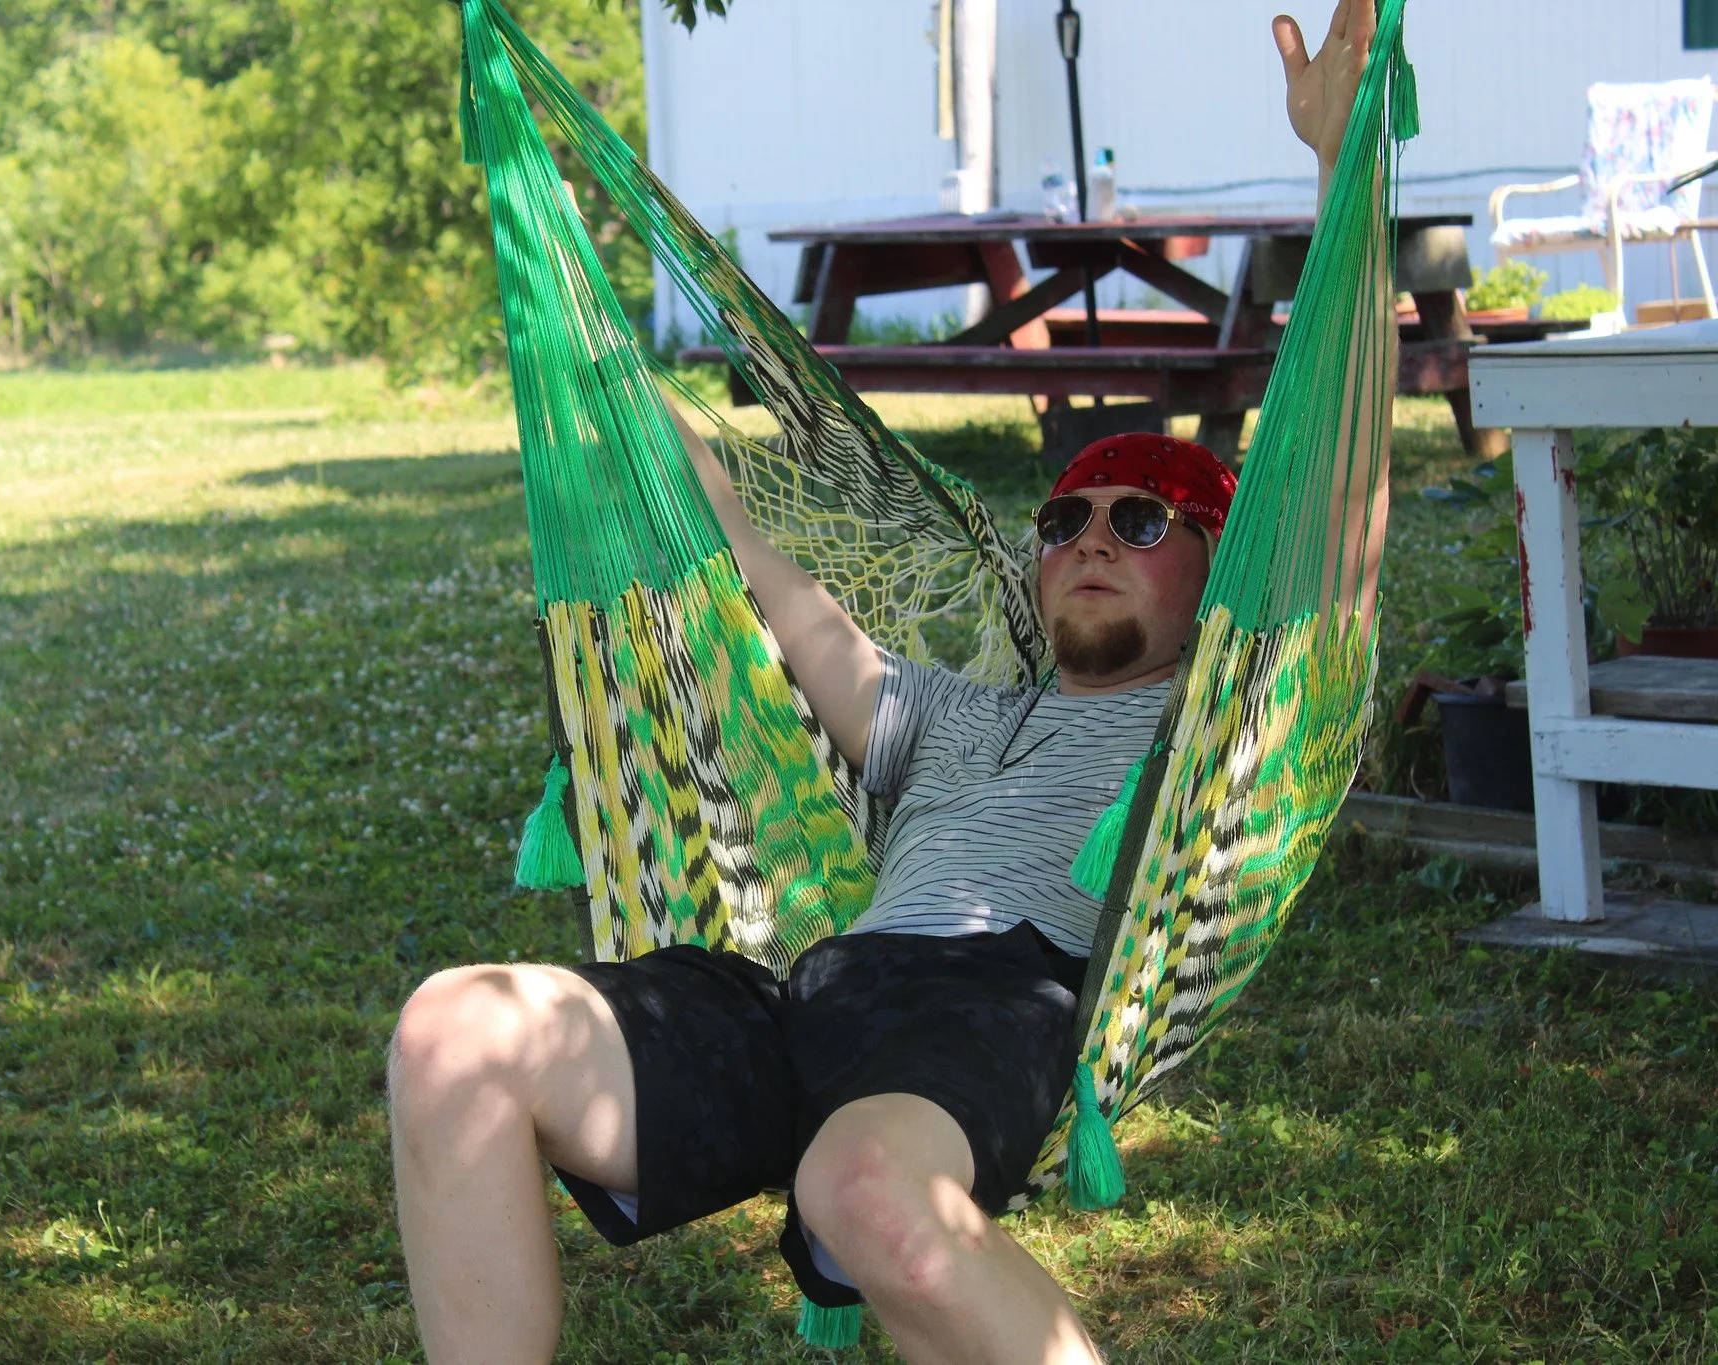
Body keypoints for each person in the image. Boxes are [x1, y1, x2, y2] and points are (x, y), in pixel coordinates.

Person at [388, 3, 1391, 1361]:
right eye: (1066, 523)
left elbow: (1328, 499)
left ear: (1213, 580)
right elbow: (778, 605)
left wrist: (1348, 175)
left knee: (866, 1198)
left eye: (1143, 523)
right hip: (802, 990)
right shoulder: (956, 717)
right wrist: (618, 388)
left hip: (995, 1003)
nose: (1091, 536)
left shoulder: (1211, 728)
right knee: (455, 1032)